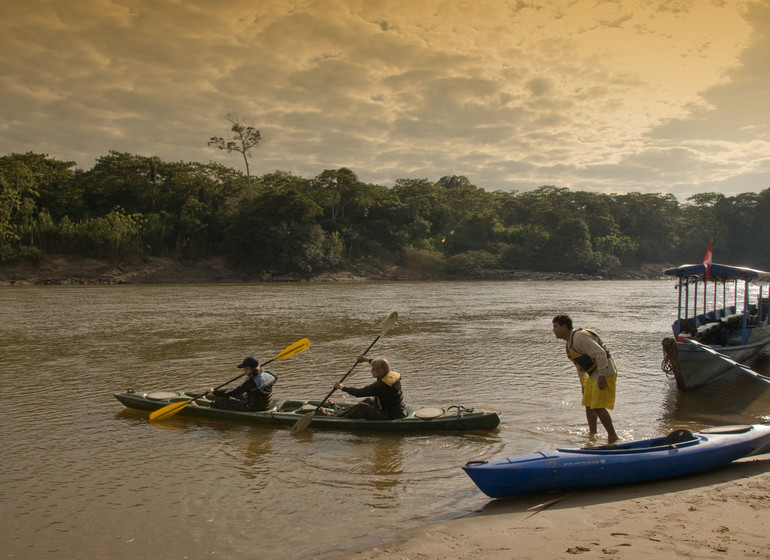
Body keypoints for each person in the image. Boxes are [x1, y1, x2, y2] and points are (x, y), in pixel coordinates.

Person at [552, 314, 619, 443]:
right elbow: (580, 367)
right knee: (588, 404)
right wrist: (583, 384)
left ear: (564, 327)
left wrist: (602, 375)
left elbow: (601, 354)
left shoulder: (579, 338)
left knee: (598, 406)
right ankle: (592, 434)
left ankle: (613, 436)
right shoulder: (569, 344)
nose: (553, 330)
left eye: (555, 326)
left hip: (605, 370)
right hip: (593, 373)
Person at [328, 355, 407, 420]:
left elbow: (359, 393)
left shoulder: (380, 385)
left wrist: (342, 387)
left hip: (391, 416)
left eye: (373, 369)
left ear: (380, 371)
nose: (371, 370)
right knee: (368, 400)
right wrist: (367, 360)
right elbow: (382, 364)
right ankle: (341, 410)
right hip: (394, 409)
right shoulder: (389, 374)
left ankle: (334, 417)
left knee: (362, 407)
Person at [205, 356, 277, 412]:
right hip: (267, 404)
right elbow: (274, 377)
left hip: (254, 408)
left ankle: (210, 405)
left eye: (244, 368)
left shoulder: (250, 382)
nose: (243, 370)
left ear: (248, 368)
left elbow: (232, 391)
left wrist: (214, 392)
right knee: (240, 394)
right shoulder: (270, 374)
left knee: (222, 399)